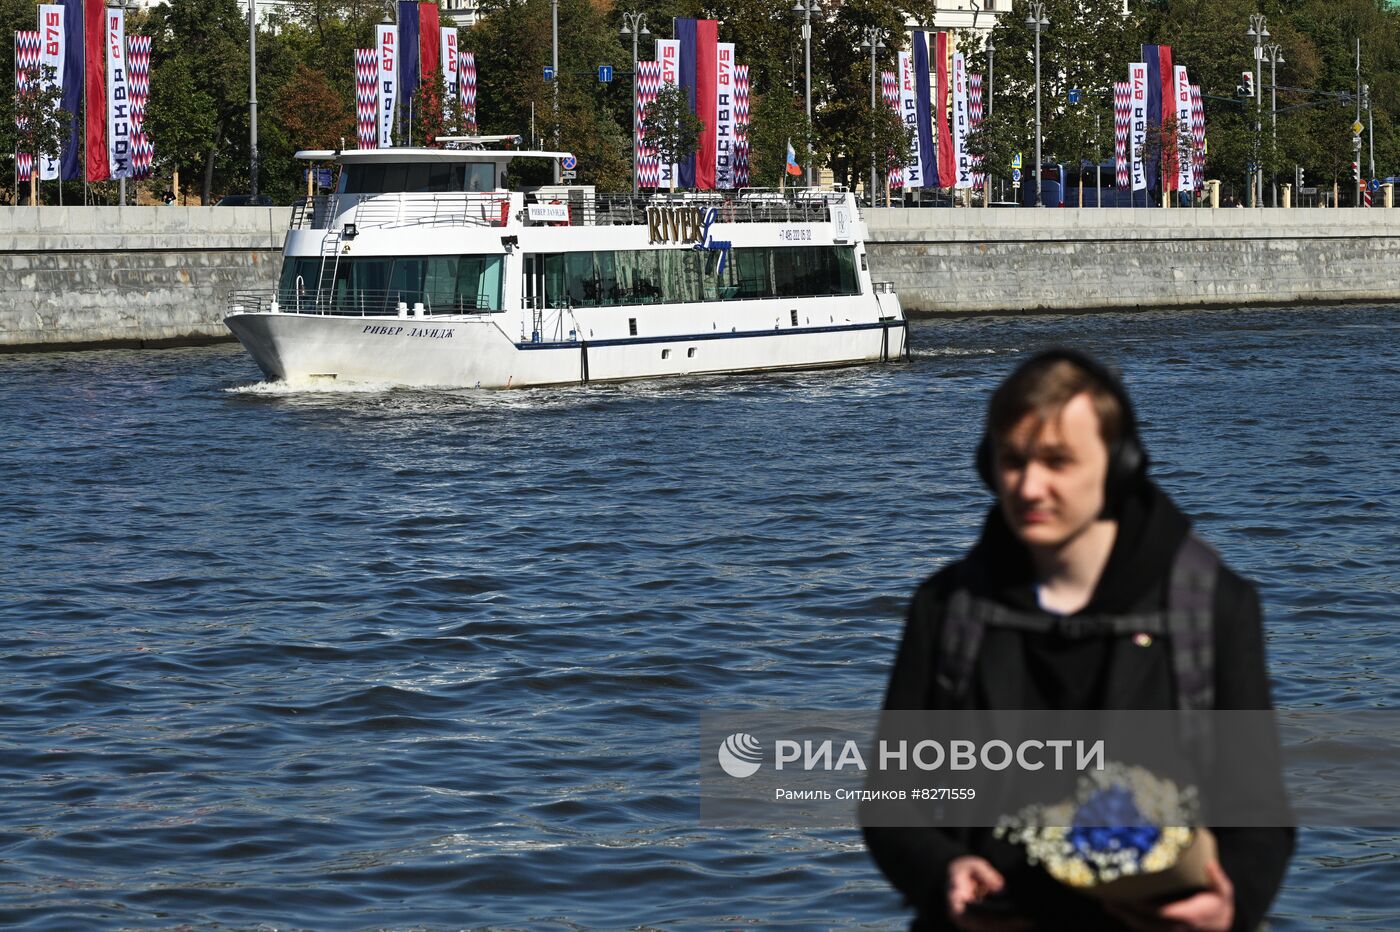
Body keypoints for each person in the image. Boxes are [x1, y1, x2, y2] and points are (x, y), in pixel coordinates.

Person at [864, 349, 1293, 932]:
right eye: (1012, 461)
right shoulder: (945, 607)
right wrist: (943, 873)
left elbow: (1260, 811)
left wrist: (1230, 905)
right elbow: (891, 803)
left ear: (1118, 467)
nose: (1029, 486)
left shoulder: (1213, 606)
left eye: (1056, 461)